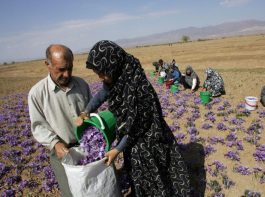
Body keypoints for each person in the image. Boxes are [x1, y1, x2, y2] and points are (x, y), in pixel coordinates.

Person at [76, 40, 191, 196]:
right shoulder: (116, 77)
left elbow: (136, 126)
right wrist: (86, 111)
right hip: (131, 139)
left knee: (155, 176)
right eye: (98, 74)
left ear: (113, 65)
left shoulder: (138, 87)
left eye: (103, 72)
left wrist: (117, 149)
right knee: (138, 176)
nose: (101, 77)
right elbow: (102, 93)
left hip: (149, 138)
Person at [28, 44, 92, 197]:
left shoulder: (81, 84)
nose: (67, 74)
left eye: (70, 68)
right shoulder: (37, 93)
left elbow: (91, 111)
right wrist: (55, 143)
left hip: (88, 147)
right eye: (61, 69)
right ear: (47, 64)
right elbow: (38, 126)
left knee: (93, 189)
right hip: (62, 153)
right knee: (71, 192)